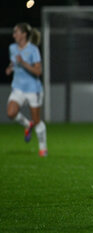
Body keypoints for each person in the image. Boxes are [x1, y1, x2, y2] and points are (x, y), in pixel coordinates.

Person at [5, 23, 48, 157]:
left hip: (32, 90)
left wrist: (23, 63)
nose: (14, 35)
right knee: (11, 113)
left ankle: (43, 148)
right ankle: (26, 124)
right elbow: (14, 61)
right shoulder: (12, 48)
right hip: (18, 87)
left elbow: (38, 71)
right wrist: (10, 68)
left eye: (16, 32)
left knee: (37, 121)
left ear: (24, 34)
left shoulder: (33, 49)